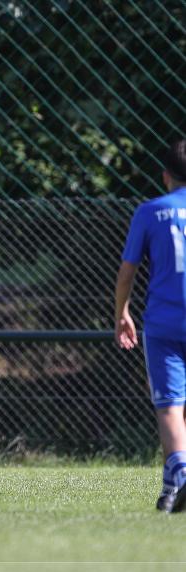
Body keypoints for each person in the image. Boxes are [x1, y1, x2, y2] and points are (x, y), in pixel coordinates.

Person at [116, 140, 186, 513]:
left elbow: (128, 271)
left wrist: (121, 312)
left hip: (164, 321)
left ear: (165, 175)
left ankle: (179, 476)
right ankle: (171, 486)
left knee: (170, 407)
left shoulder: (151, 211)